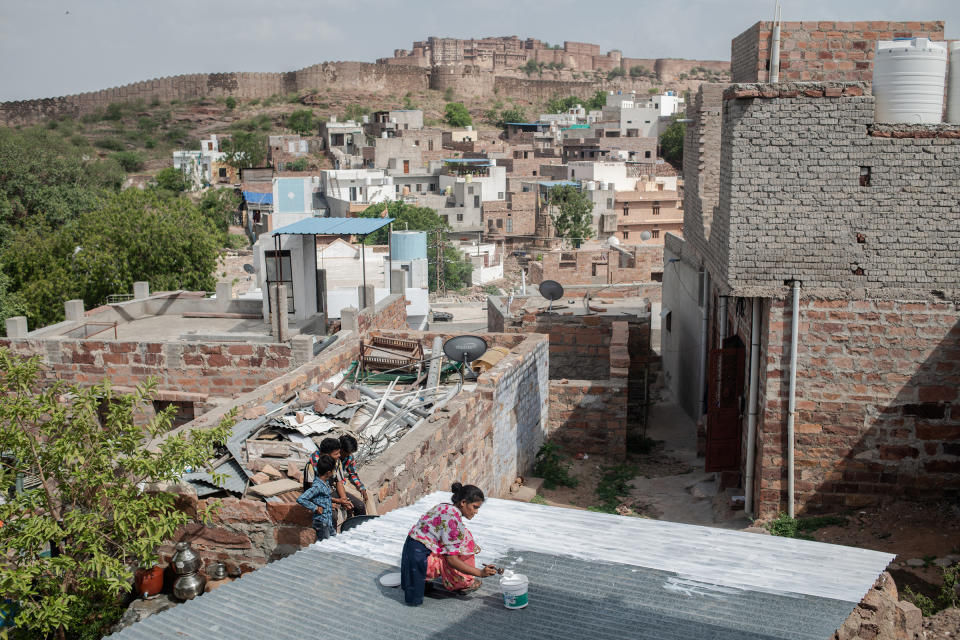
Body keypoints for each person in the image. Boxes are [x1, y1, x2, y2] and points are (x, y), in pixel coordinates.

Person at [400, 482, 497, 606]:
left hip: (409, 553)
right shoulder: (454, 523)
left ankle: (422, 581)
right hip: (420, 560)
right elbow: (452, 560)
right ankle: (461, 582)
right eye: (475, 507)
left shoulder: (443, 507)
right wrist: (480, 573)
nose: (476, 512)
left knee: (464, 541)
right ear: (463, 503)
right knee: (457, 554)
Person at [307, 437, 365, 521]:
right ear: (326, 455)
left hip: (330, 490)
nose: (339, 455)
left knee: (359, 506)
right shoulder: (313, 465)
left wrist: (344, 499)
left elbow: (339, 482)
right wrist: (336, 501)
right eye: (336, 454)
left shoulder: (337, 461)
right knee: (332, 515)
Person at [296, 454, 337, 541]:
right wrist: (315, 507)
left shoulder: (325, 483)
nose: (334, 472)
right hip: (321, 522)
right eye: (334, 470)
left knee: (333, 542)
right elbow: (301, 499)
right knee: (325, 547)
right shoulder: (318, 486)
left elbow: (323, 498)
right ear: (329, 472)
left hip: (327, 521)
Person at [339, 434, 370, 506]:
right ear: (341, 448)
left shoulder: (349, 457)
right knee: (359, 498)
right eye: (347, 452)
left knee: (367, 494)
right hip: (338, 483)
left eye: (350, 453)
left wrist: (361, 487)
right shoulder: (333, 457)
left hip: (344, 480)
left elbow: (353, 474)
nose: (348, 454)